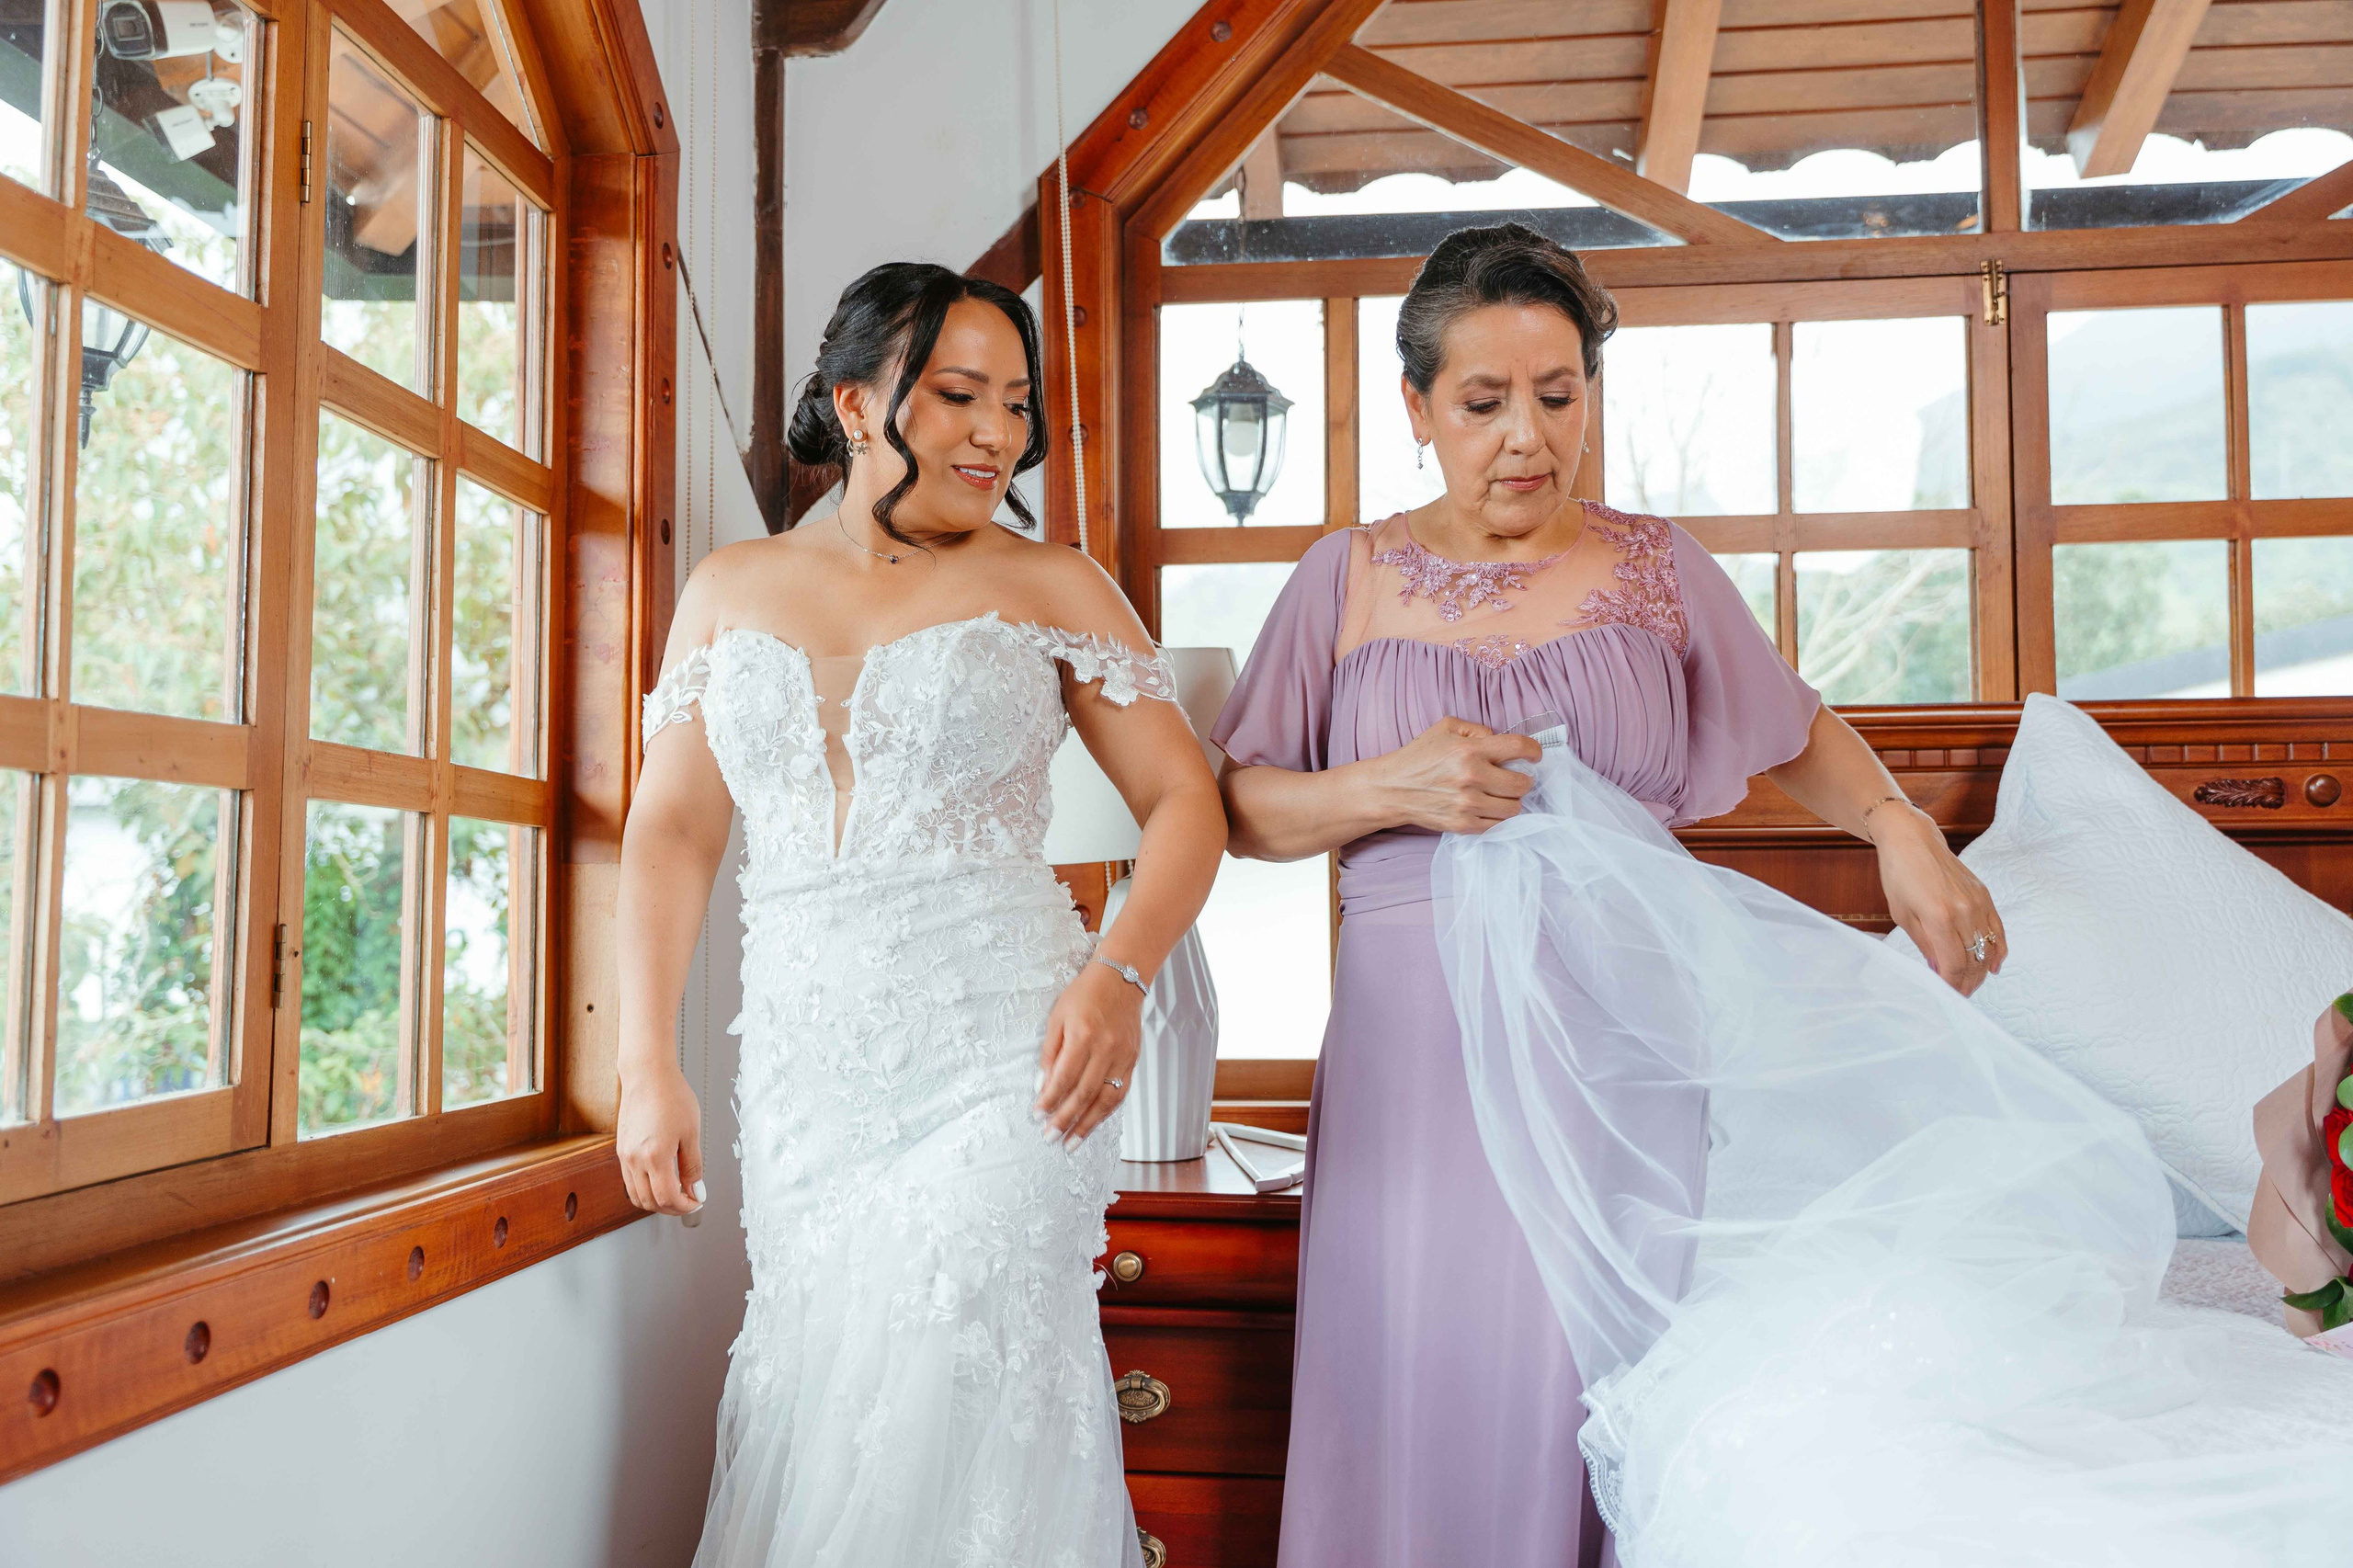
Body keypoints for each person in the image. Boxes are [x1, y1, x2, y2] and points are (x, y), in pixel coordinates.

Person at [1210, 222, 2006, 1568]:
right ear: (1416, 406)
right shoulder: (1341, 578)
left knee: (1592, 1380)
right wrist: (1391, 786)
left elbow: (1794, 727)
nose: (1526, 437)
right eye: (1483, 402)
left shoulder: (1657, 566)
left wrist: (1898, 825)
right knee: (1414, 1370)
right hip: (1418, 1054)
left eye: (1558, 395)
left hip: (1621, 1041)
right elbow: (1240, 809)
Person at [614, 261, 1224, 1567]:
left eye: (1016, 401)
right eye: (958, 395)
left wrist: (1118, 975)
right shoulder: (727, 588)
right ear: (854, 403)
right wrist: (644, 1061)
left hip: (1011, 1056)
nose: (997, 431)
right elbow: (671, 829)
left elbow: (1186, 800)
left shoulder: (1055, 584)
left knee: (955, 1351)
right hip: (809, 1083)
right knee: (827, 1391)